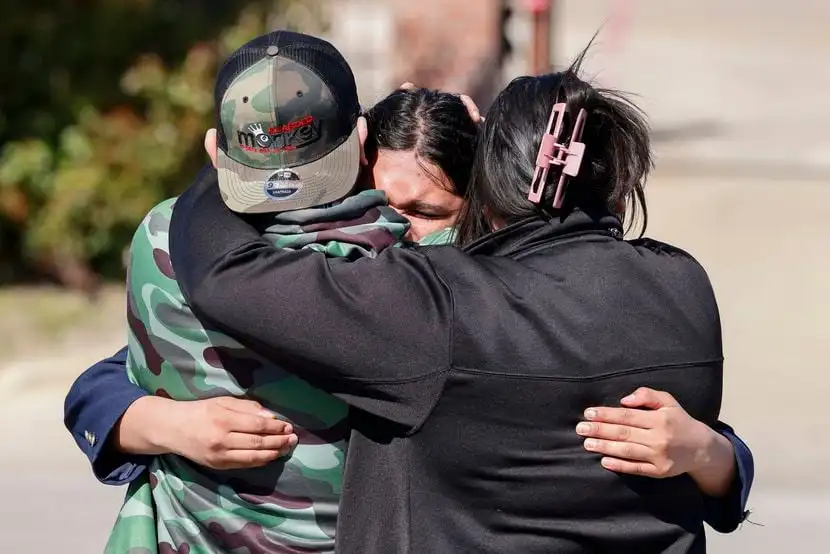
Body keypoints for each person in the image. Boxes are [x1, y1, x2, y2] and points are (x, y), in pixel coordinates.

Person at [65, 34, 751, 552]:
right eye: (374, 200)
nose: (392, 228)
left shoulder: (430, 302)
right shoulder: (678, 279)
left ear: (485, 202)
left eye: (422, 212)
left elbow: (226, 278)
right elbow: (125, 365)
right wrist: (158, 423)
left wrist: (229, 167)